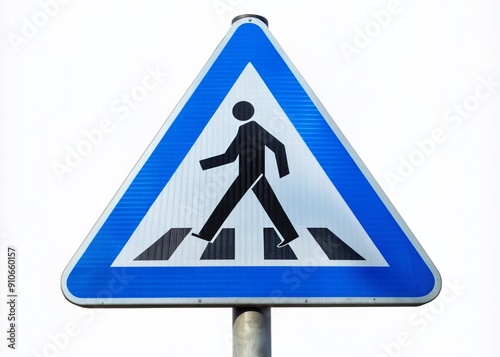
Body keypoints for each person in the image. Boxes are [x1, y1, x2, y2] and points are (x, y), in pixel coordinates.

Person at [192, 101, 299, 247]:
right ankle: (290, 234)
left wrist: (284, 173)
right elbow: (230, 156)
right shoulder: (247, 128)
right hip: (252, 174)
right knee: (270, 205)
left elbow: (278, 147)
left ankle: (206, 234)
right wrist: (203, 164)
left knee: (227, 203)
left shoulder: (250, 128)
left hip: (251, 175)